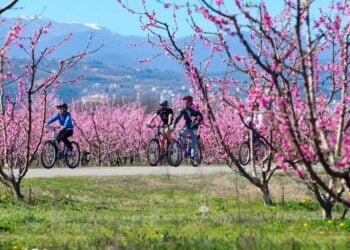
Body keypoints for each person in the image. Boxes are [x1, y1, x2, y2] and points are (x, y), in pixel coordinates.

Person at [172, 95, 203, 161]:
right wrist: (173, 124)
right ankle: (181, 148)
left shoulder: (195, 109)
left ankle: (193, 156)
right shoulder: (184, 109)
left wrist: (198, 121)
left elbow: (201, 116)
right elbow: (178, 117)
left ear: (190, 102)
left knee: (193, 141)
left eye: (186, 102)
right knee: (181, 134)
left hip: (194, 127)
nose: (184, 103)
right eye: (184, 102)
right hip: (187, 126)